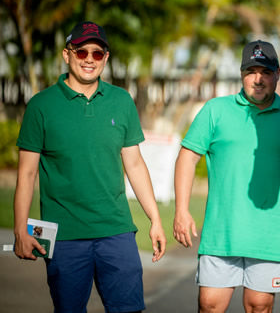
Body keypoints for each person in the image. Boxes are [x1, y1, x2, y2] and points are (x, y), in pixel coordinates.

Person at [13, 21, 166, 312]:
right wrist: (21, 228)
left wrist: (155, 219)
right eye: (81, 51)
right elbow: (27, 173)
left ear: (106, 59)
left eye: (97, 53)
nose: (89, 59)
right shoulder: (40, 106)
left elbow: (134, 164)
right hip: (65, 236)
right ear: (66, 54)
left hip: (117, 232)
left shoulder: (121, 101)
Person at [173, 40, 280, 313]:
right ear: (241, 74)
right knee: (209, 306)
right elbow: (187, 157)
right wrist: (181, 210)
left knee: (259, 306)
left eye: (265, 72)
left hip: (269, 237)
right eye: (251, 71)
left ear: (277, 74)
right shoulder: (215, 110)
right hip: (221, 234)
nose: (258, 79)